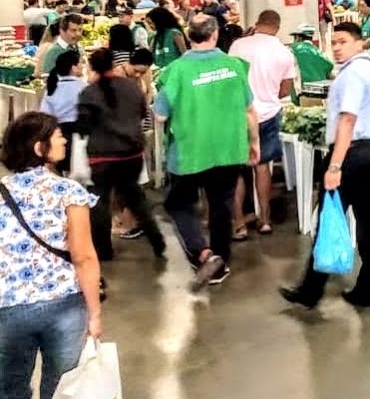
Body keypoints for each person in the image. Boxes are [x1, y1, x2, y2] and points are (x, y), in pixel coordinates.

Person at [280, 22, 370, 309]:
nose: (337, 48)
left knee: (328, 218)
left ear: (358, 43)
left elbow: (348, 121)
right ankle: (368, 288)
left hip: (350, 154)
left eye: (343, 42)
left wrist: (334, 166)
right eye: (334, 42)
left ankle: (310, 290)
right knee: (368, 219)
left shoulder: (351, 76)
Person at [0, 112, 103, 399]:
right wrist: (94, 313)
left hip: (8, 307)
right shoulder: (69, 191)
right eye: (58, 137)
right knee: (63, 388)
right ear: (39, 147)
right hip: (64, 306)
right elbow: (83, 257)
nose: (64, 142)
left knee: (10, 389)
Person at [154, 14, 259, 289]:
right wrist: (254, 142)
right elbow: (249, 110)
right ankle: (220, 263)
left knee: (178, 204)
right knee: (221, 205)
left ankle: (204, 253)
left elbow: (161, 115)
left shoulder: (176, 70)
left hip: (191, 151)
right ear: (214, 36)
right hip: (229, 147)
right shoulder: (234, 66)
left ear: (189, 36)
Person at [78, 48, 165, 262]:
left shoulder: (89, 92)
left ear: (92, 67)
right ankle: (157, 240)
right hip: (131, 154)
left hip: (101, 156)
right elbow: (143, 113)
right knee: (135, 198)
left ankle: (103, 251)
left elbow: (83, 125)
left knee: (99, 202)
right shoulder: (131, 87)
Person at [229, 10, 297, 238]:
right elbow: (286, 89)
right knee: (262, 166)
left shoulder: (238, 45)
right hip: (268, 114)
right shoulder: (284, 52)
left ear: (256, 23)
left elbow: (231, 78)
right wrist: (268, 94)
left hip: (239, 114)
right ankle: (265, 220)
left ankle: (238, 225)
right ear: (277, 27)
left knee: (238, 170)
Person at [39, 50, 85, 142]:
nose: (83, 66)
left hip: (57, 133)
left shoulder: (51, 88)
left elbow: (44, 114)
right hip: (79, 134)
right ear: (74, 68)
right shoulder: (84, 87)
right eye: (81, 62)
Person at [290, 24, 333, 88]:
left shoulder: (291, 49)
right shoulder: (319, 52)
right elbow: (329, 67)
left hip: (299, 91)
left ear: (299, 37)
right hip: (318, 91)